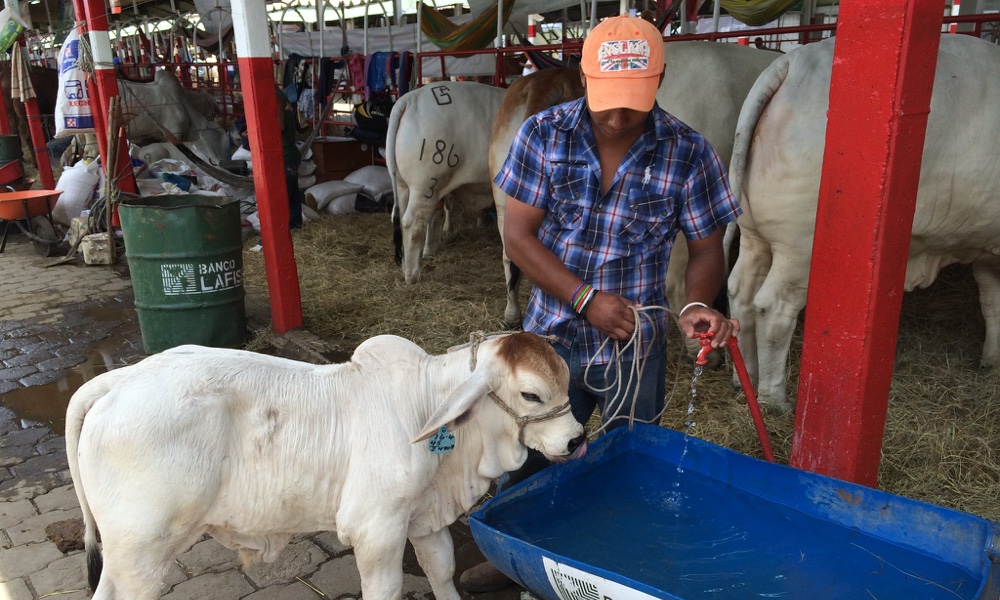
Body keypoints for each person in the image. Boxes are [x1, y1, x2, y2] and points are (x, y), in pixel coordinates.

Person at [458, 15, 741, 593]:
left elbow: (707, 248)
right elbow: (518, 237)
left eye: (633, 105)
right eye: (606, 101)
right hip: (551, 339)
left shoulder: (688, 151)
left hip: (635, 345)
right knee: (528, 455)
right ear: (585, 77)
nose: (616, 118)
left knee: (622, 461)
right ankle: (516, 559)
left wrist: (693, 307)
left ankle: (602, 570)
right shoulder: (544, 134)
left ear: (658, 81)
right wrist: (584, 299)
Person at [276, 85, 303, 230]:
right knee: (292, 196)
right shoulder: (280, 95)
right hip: (289, 154)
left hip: (285, 154)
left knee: (283, 196)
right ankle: (295, 227)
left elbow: (279, 125)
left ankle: (283, 229)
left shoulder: (274, 97)